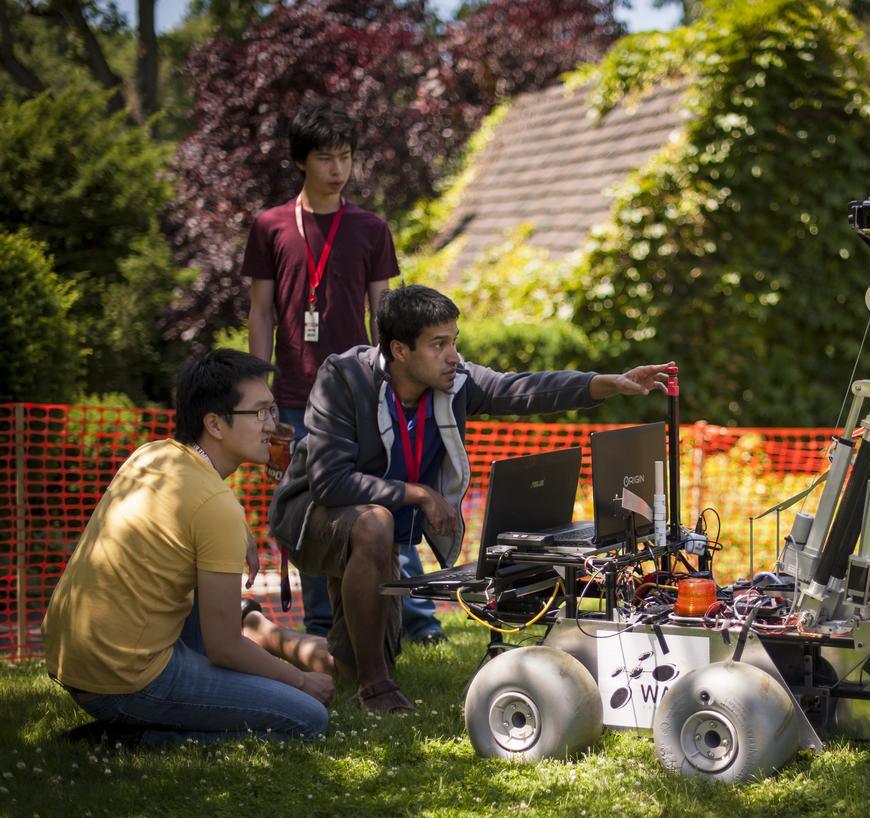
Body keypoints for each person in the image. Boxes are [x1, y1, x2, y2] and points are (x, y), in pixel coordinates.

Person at [269, 285, 672, 713]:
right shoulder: (343, 378)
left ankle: (263, 634)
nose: (453, 356)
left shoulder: (456, 382)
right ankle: (377, 687)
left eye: (454, 341)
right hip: (310, 517)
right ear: (400, 350)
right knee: (375, 524)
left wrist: (605, 384)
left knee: (345, 664)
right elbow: (330, 483)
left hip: (371, 529)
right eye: (439, 344)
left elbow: (520, 389)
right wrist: (419, 494)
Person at [43, 350, 335, 745]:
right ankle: (132, 737)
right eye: (261, 413)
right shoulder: (216, 506)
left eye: (272, 410)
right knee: (309, 720)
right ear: (214, 423)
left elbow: (187, 518)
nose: (274, 425)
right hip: (125, 680)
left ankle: (148, 718)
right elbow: (225, 647)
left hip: (71, 658)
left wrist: (240, 532)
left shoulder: (153, 454)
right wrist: (302, 680)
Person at [242, 102, 445, 643]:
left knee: (385, 500)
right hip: (292, 395)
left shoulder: (371, 228)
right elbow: (260, 312)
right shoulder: (270, 227)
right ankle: (320, 626)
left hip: (363, 396)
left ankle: (419, 623)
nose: (338, 168)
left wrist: (399, 382)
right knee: (313, 512)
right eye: (326, 158)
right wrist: (260, 390)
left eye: (346, 157)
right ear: (301, 162)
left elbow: (389, 313)